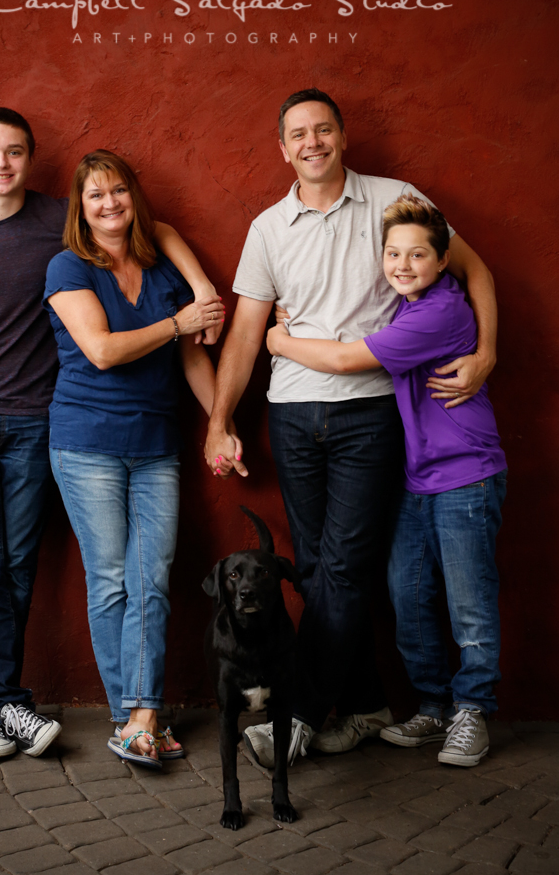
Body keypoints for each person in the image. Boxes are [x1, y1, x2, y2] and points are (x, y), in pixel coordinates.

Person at [204, 88, 498, 767]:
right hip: (293, 413)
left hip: (370, 412)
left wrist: (487, 353)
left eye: (324, 130)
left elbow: (472, 265)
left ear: (342, 137)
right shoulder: (268, 228)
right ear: (283, 148)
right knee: (313, 571)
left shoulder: (394, 200)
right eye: (298, 134)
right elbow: (248, 333)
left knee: (340, 566)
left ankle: (297, 716)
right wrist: (220, 421)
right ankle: (365, 705)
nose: (312, 143)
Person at [0, 109, 220, 759]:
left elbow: (152, 225)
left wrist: (198, 290)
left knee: (24, 572)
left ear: (29, 160)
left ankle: (50, 707)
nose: (1, 163)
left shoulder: (62, 220)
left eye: (14, 152)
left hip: (37, 423)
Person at [267, 195, 506, 766]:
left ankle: (472, 711)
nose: (401, 264)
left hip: (464, 477)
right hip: (416, 478)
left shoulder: (439, 312)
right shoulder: (406, 305)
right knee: (410, 599)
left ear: (442, 259)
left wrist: (279, 342)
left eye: (417, 254)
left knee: (469, 602)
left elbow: (350, 360)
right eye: (393, 253)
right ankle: (431, 708)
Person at [43, 150, 223, 769]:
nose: (110, 203)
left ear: (134, 198)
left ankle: (140, 716)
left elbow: (192, 356)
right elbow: (100, 350)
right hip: (85, 444)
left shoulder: (160, 263)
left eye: (119, 191)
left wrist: (219, 422)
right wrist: (179, 321)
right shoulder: (68, 267)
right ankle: (134, 718)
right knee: (112, 580)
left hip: (156, 448)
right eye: (96, 195)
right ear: (81, 207)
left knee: (153, 578)